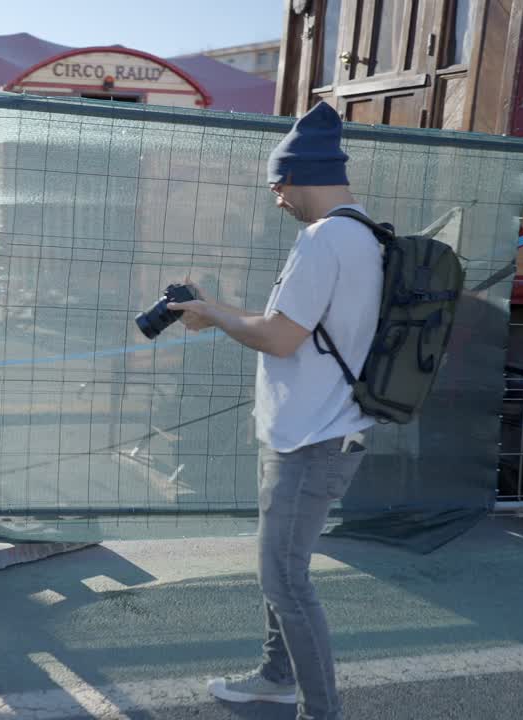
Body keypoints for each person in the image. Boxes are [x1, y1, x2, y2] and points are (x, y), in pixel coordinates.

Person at [169, 102, 381, 719]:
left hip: (312, 439)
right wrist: (220, 309)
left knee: (285, 581)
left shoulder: (323, 240)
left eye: (277, 185)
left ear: (296, 175)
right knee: (281, 570)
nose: (277, 199)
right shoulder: (365, 232)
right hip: (324, 428)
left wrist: (212, 315)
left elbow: (280, 337)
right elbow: (299, 329)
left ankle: (319, 710)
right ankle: (276, 674)